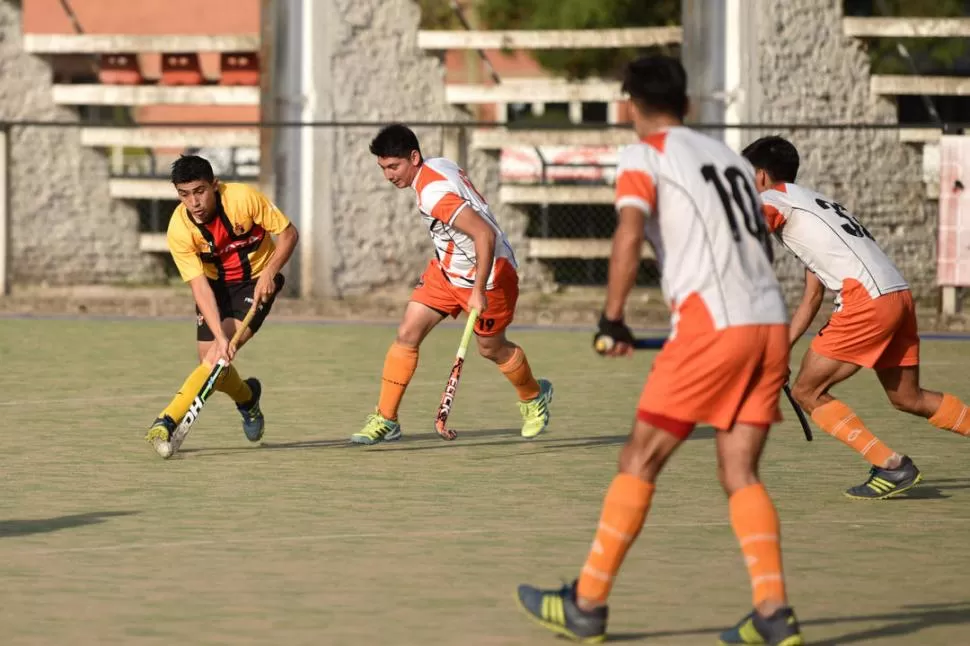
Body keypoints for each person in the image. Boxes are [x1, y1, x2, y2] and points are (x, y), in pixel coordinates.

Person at [514, 56, 803, 646]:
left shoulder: (643, 155)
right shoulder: (728, 158)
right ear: (689, 105)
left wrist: (611, 318)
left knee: (638, 462)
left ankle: (587, 604)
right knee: (740, 469)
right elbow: (757, 250)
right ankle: (773, 612)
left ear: (628, 105)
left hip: (710, 329)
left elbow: (628, 231)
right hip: (768, 321)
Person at [742, 135, 970, 499]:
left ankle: (891, 466)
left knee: (807, 391)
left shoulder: (771, 199)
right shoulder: (814, 205)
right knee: (908, 398)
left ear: (761, 176)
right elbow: (812, 297)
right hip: (898, 295)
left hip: (866, 301)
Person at [352, 124, 552, 444]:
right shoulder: (438, 165)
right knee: (407, 333)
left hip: (490, 276)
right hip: (446, 272)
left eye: (394, 166)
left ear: (414, 157)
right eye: (383, 168)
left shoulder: (433, 194)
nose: (388, 176)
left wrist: (477, 290)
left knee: (491, 348)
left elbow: (483, 233)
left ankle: (533, 397)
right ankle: (386, 419)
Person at [145, 155, 299, 457]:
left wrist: (270, 272)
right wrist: (220, 334)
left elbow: (289, 234)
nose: (194, 202)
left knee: (215, 358)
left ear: (214, 185)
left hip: (256, 280)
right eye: (184, 194)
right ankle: (248, 398)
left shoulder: (242, 198)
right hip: (215, 284)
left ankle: (167, 419)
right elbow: (199, 287)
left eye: (200, 191)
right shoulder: (179, 229)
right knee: (213, 360)